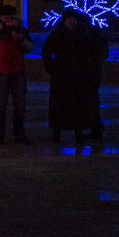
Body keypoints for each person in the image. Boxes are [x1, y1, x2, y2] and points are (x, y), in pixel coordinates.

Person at [41, 9, 95, 144]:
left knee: (79, 105)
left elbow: (90, 54)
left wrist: (87, 68)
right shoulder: (57, 35)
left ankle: (79, 133)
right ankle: (57, 133)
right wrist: (52, 68)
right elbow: (46, 53)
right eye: (69, 19)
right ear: (64, 20)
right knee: (59, 105)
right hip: (61, 76)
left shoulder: (83, 35)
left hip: (79, 76)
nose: (72, 22)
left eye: (74, 19)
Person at [0, 4, 35, 144]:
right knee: (1, 104)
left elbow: (30, 47)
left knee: (19, 104)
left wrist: (20, 39)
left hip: (17, 71)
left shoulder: (21, 30)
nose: (8, 18)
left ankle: (18, 133)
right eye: (5, 16)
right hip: (1, 71)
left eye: (10, 16)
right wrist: (4, 25)